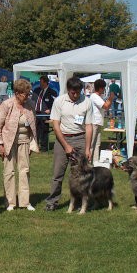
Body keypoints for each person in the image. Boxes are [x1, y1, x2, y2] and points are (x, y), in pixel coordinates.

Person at [44, 77, 93, 211]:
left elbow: (89, 126)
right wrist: (66, 146)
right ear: (68, 90)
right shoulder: (59, 101)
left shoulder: (87, 102)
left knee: (82, 174)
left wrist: (88, 148)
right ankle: (52, 202)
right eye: (73, 92)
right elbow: (55, 125)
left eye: (78, 92)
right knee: (58, 173)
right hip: (62, 139)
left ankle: (80, 202)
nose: (75, 95)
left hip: (80, 139)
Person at [0, 78, 37, 211]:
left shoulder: (30, 104)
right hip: (8, 142)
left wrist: (32, 143)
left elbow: (33, 125)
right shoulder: (6, 104)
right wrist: (0, 145)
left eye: (28, 93)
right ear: (17, 93)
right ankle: (10, 202)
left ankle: (25, 202)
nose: (27, 96)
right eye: (25, 94)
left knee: (25, 171)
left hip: (24, 141)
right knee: (9, 172)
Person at [90, 78, 114, 164]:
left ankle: (95, 161)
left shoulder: (98, 97)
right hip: (94, 122)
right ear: (100, 88)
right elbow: (106, 106)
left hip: (98, 122)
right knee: (92, 144)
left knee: (97, 144)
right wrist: (111, 98)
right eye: (103, 88)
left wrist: (110, 99)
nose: (104, 90)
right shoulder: (94, 97)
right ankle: (89, 160)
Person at [32, 75, 57, 152]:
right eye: (40, 82)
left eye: (42, 82)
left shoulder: (52, 92)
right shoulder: (36, 90)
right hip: (36, 113)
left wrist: (50, 109)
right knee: (35, 131)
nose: (40, 84)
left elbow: (56, 104)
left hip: (44, 115)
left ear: (46, 83)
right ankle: (35, 145)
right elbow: (32, 101)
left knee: (44, 131)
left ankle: (44, 147)